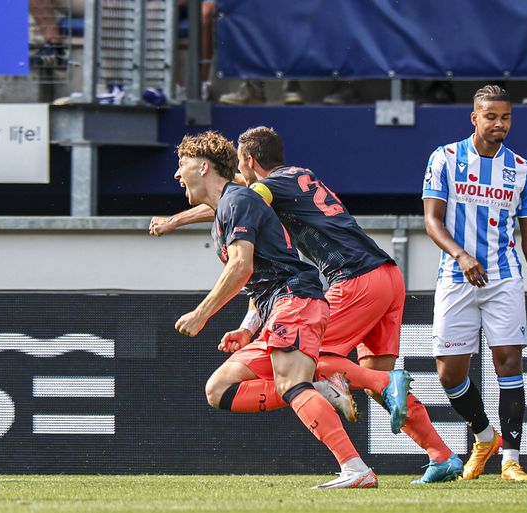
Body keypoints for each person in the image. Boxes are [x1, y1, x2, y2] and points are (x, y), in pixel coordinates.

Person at [152, 127, 463, 484]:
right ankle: (441, 454)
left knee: (316, 363)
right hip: (386, 275)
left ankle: (366, 407)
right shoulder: (298, 177)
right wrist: (249, 327)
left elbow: (236, 207)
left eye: (241, 164)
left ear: (250, 162)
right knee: (371, 388)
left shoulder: (258, 192)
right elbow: (239, 224)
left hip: (352, 278)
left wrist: (175, 221)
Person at [172, 131, 378, 489]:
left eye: (182, 164)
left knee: (291, 385)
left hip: (295, 303)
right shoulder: (229, 206)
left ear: (204, 168)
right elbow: (262, 271)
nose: (177, 174)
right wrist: (247, 327)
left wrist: (201, 313)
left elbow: (242, 267)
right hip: (282, 308)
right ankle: (319, 386)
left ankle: (355, 469)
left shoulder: (237, 200)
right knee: (218, 388)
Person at [421, 84, 527, 481]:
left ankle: (511, 459)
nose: (500, 124)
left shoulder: (522, 170)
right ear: (475, 118)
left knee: (509, 363)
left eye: (506, 117)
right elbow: (431, 221)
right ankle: (485, 437)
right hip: (455, 276)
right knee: (449, 374)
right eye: (492, 117)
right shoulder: (445, 159)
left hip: (503, 279)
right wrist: (462, 256)